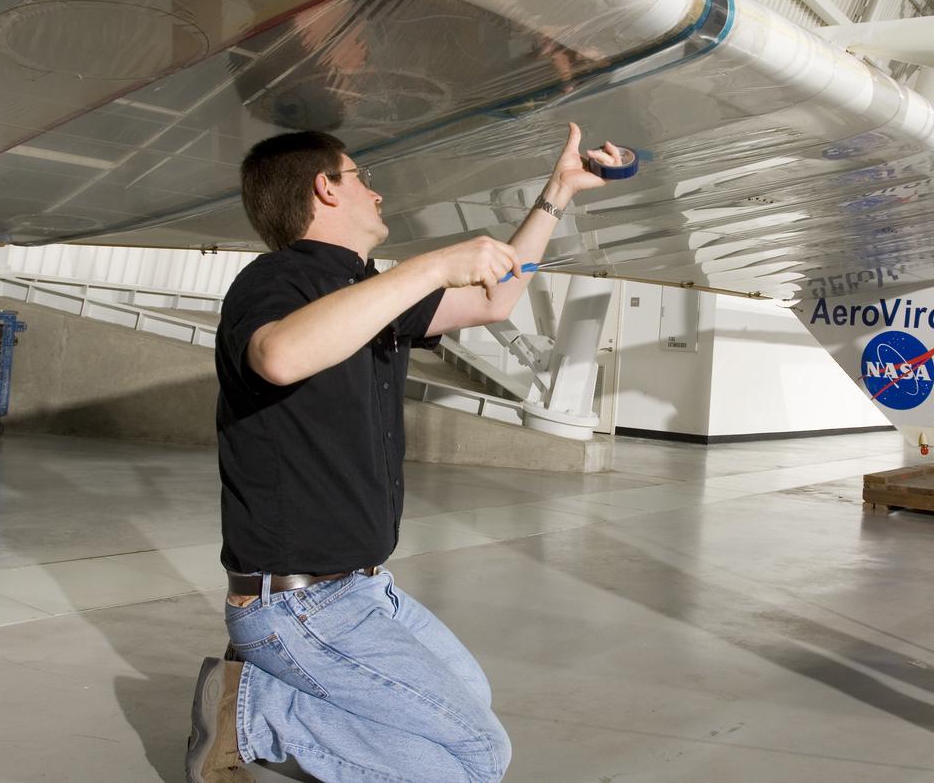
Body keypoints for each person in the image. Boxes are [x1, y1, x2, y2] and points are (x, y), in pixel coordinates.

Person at [186, 124, 621, 783]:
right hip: (296, 605)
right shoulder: (276, 278)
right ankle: (255, 711)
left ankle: (267, 704)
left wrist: (558, 193)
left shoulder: (366, 293)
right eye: (362, 176)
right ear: (325, 188)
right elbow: (278, 356)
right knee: (478, 756)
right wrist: (433, 265)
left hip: (364, 590)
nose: (380, 193)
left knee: (470, 705)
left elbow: (493, 297)